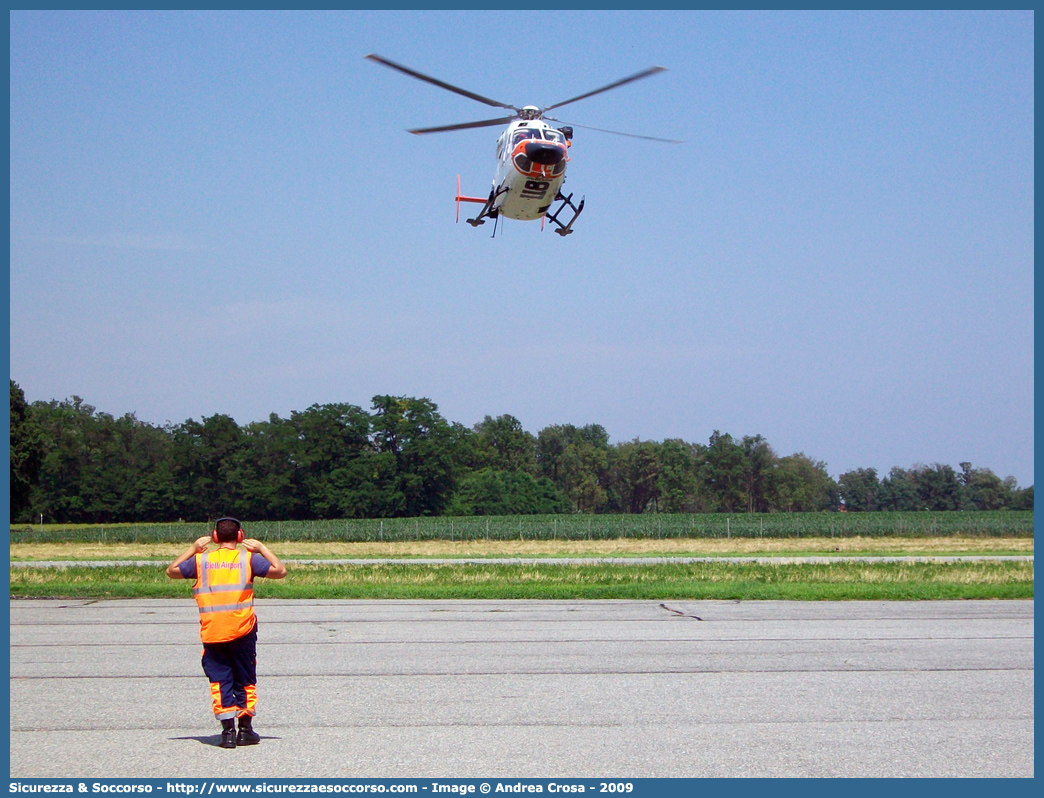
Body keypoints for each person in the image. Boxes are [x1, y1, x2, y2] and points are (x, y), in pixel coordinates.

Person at [166, 517, 287, 748]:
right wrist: (261, 548)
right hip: (243, 630)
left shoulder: (201, 561)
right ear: (240, 537)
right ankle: (245, 730)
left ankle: (227, 733)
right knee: (245, 679)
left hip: (213, 631)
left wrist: (192, 549)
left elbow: (171, 571)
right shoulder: (248, 558)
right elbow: (280, 571)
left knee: (220, 679)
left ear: (214, 537)